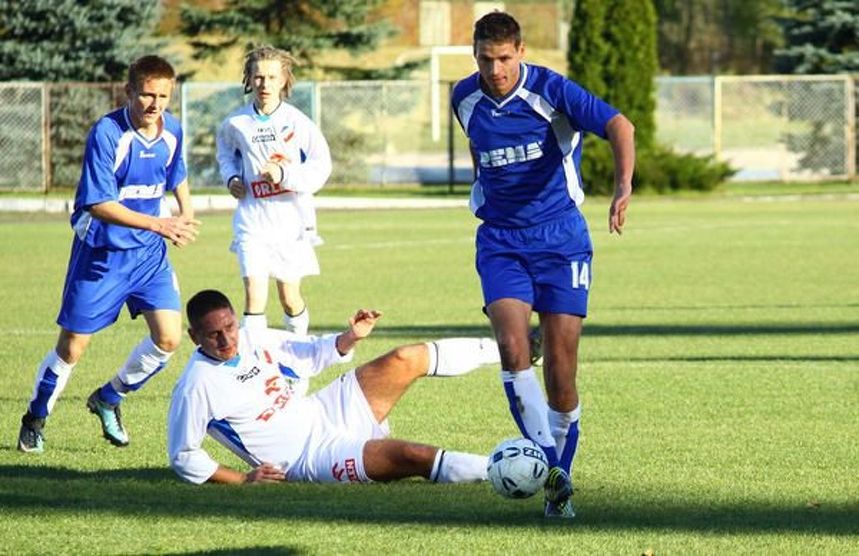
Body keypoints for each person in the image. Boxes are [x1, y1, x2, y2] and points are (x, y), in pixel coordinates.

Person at [450, 12, 636, 518]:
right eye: (486, 60)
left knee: (560, 371)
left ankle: (560, 477)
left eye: (505, 59)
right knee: (511, 347)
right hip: (501, 240)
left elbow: (620, 124)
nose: (496, 70)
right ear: (475, 55)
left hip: (561, 241)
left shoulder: (552, 91)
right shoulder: (463, 98)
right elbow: (478, 146)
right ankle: (552, 468)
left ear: (522, 51)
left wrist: (622, 187)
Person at [17, 55, 201, 454]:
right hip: (102, 253)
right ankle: (35, 417)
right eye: (147, 95)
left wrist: (185, 213)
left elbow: (177, 173)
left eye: (164, 96)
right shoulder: (107, 133)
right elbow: (99, 203)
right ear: (129, 92)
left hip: (149, 256)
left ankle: (109, 398)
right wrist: (160, 224)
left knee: (169, 338)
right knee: (72, 348)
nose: (155, 105)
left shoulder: (172, 129)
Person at [167, 289, 501, 486]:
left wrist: (349, 337)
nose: (226, 339)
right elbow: (183, 455)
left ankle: (515, 351)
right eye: (213, 335)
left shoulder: (253, 337)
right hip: (310, 457)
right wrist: (243, 479)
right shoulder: (196, 386)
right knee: (412, 456)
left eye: (229, 327)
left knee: (404, 357)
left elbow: (308, 354)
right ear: (194, 336)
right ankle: (503, 470)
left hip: (323, 409)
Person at [216, 46, 331, 336]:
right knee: (254, 295)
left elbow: (322, 164)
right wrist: (231, 179)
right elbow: (224, 154)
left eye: (271, 77)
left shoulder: (296, 122)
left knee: (289, 299)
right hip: (252, 220)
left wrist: (285, 175)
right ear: (249, 79)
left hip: (289, 221)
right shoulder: (236, 123)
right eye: (258, 77)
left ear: (283, 80)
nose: (264, 84)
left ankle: (299, 349)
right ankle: (255, 365)